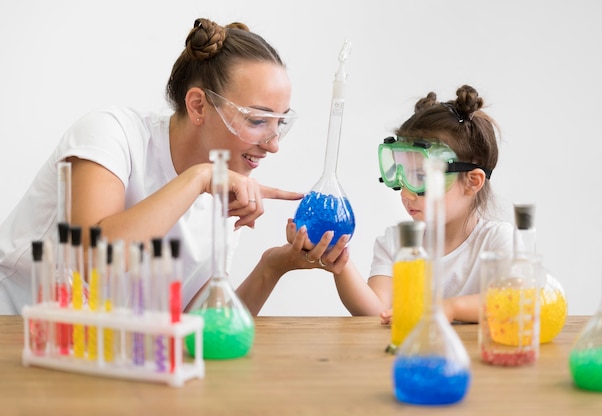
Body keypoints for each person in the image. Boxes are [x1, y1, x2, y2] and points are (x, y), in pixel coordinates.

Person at [0, 17, 349, 315]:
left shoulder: (224, 189)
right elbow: (92, 264)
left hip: (101, 357)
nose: (273, 145)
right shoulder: (110, 134)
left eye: (280, 124)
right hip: (16, 335)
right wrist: (197, 178)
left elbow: (202, 325)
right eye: (257, 121)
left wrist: (274, 266)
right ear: (198, 105)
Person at [297, 85, 514, 324]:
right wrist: (339, 263)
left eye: (421, 177)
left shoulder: (495, 241)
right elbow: (375, 309)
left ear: (472, 182)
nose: (407, 193)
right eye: (402, 175)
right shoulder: (396, 243)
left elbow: (514, 301)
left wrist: (448, 309)